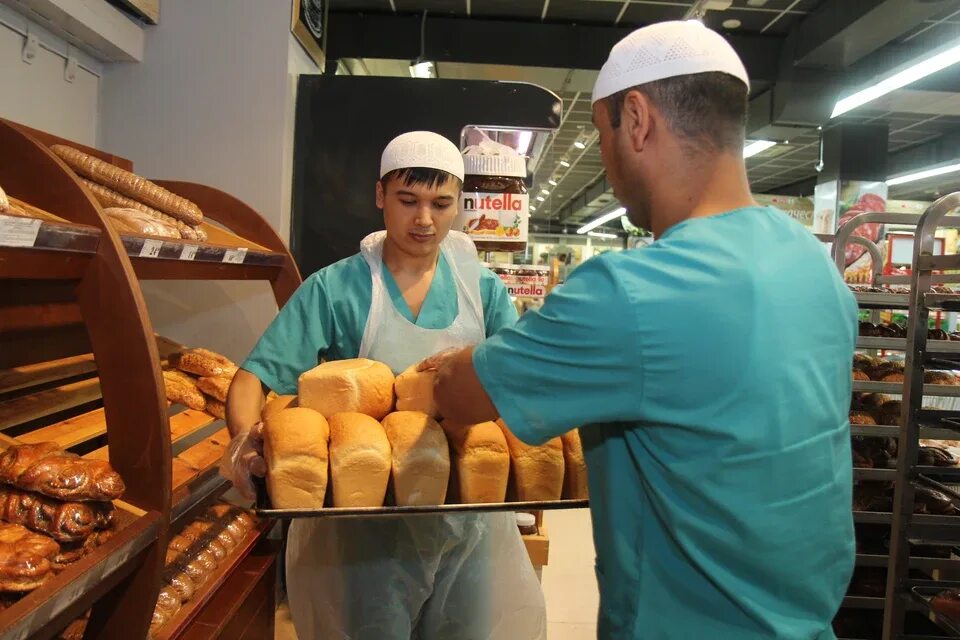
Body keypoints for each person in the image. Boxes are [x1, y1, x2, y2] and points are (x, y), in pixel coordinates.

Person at [422, 21, 857, 640]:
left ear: (637, 119)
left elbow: (461, 395)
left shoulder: (629, 292)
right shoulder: (815, 266)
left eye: (602, 136)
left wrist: (452, 362)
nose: (608, 161)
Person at [221, 131, 546, 639]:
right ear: (380, 196)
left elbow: (522, 376)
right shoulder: (337, 287)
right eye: (408, 201)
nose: (424, 220)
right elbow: (253, 377)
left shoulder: (482, 289)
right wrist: (244, 438)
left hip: (467, 519)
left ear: (459, 204)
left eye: (442, 204)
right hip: (362, 532)